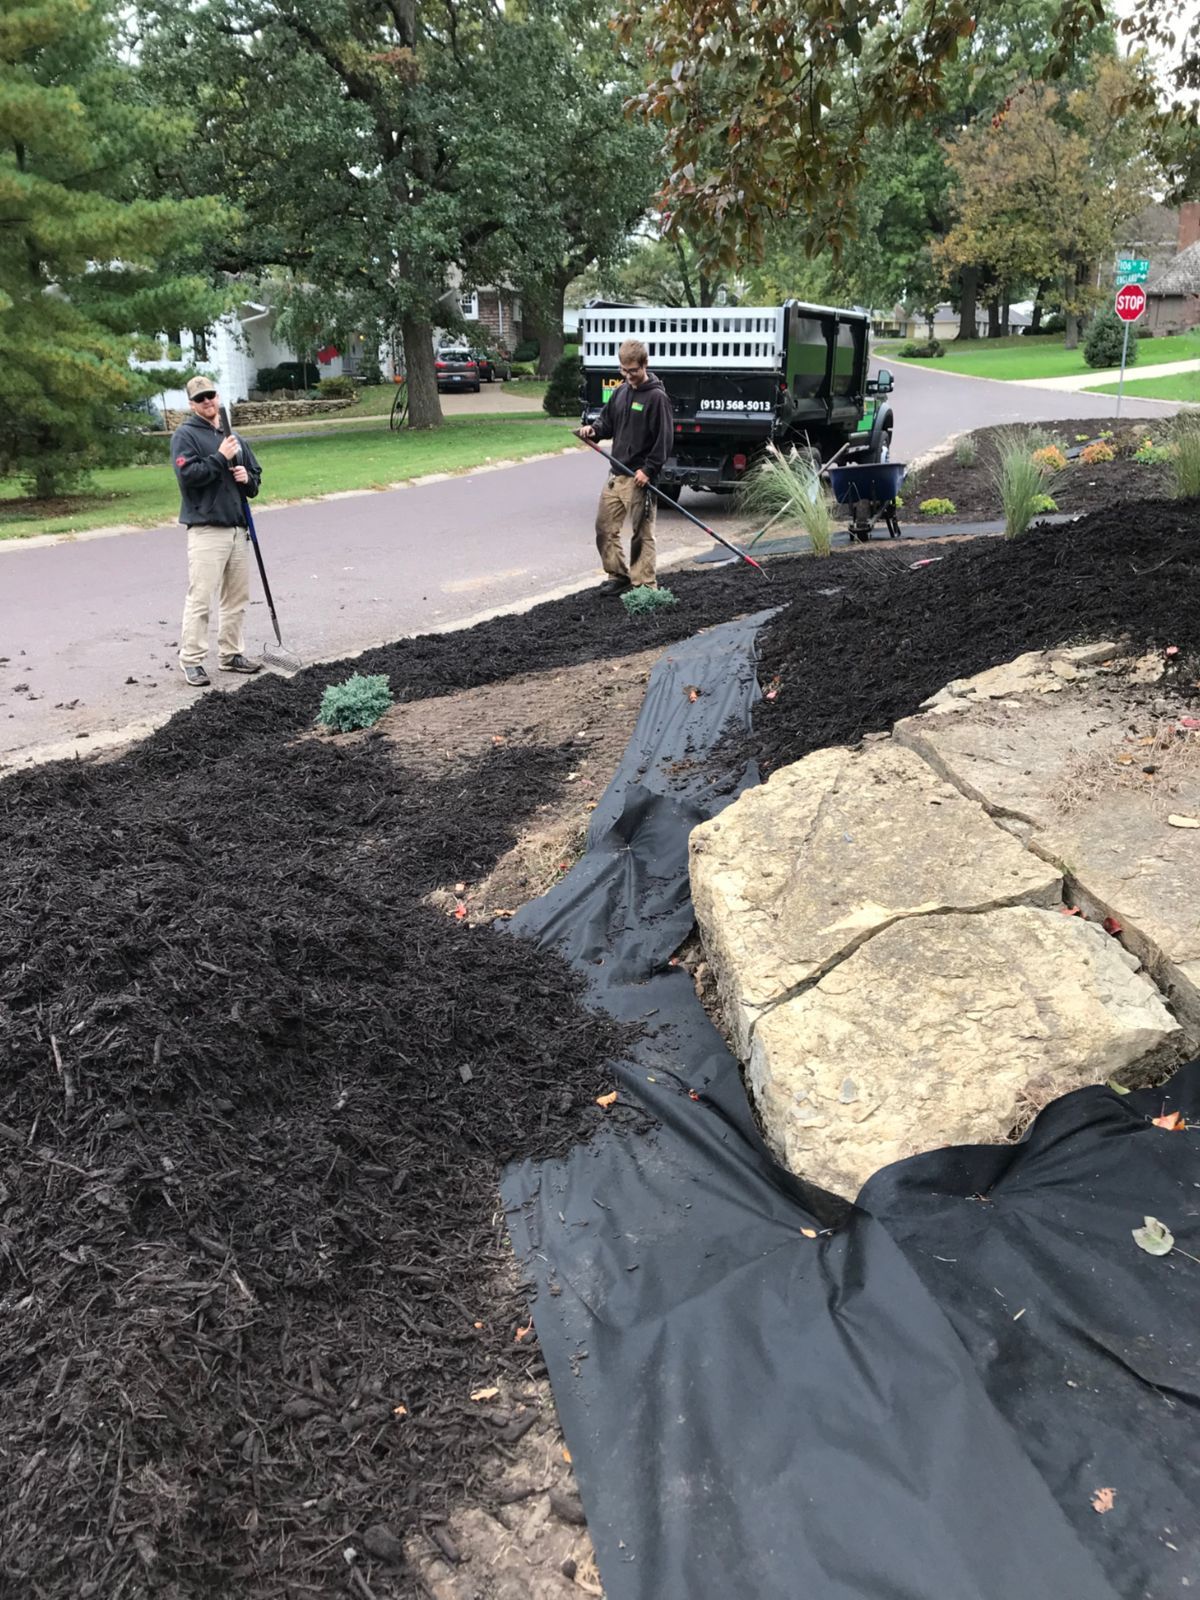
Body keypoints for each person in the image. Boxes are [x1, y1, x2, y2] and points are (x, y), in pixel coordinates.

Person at [170, 376, 264, 686]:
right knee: (201, 597)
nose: (207, 401)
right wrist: (221, 457)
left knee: (236, 597)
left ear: (217, 397)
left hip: (238, 528)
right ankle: (192, 660)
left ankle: (231, 653)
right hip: (207, 529)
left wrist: (245, 476)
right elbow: (189, 475)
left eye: (210, 395)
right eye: (200, 398)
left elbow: (255, 481)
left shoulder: (233, 436)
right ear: (192, 404)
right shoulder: (185, 436)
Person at [578, 339, 674, 596]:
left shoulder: (656, 397)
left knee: (642, 534)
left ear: (645, 365)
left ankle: (644, 585)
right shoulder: (621, 392)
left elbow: (664, 439)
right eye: (623, 370)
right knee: (604, 529)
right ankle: (618, 575)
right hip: (616, 476)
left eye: (633, 370)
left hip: (640, 478)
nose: (628, 375)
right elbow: (606, 423)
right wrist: (593, 430)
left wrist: (649, 470)